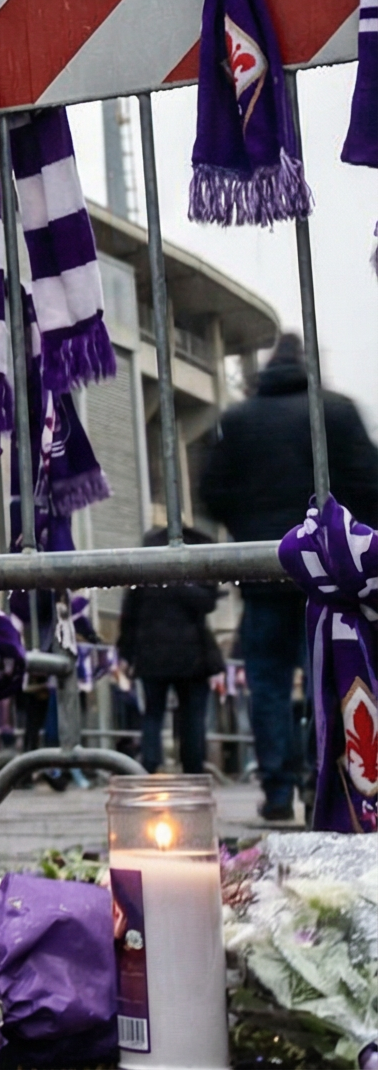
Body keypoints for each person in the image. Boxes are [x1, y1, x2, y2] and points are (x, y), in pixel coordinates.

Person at [198, 332, 378, 823]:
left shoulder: (237, 421)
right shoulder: (334, 412)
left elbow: (211, 490)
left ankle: (276, 788)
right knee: (332, 674)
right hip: (328, 575)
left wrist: (250, 528)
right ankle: (319, 776)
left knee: (269, 685)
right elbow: (369, 481)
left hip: (264, 569)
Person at [119, 526, 224, 776]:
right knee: (192, 717)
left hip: (151, 653)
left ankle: (149, 766)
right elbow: (207, 603)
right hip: (192, 654)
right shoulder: (192, 567)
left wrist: (126, 652)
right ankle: (193, 769)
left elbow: (129, 614)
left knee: (153, 714)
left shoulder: (144, 571)